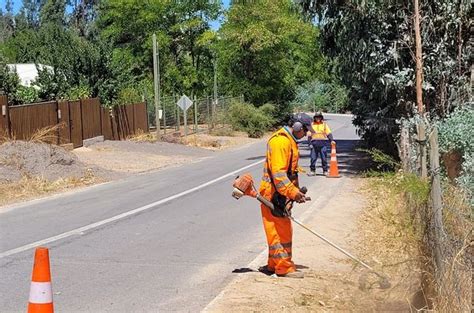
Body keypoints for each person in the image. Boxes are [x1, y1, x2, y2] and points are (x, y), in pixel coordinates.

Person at [258, 114, 315, 278]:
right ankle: (283, 268)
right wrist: (293, 193)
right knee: (281, 232)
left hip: (278, 194)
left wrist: (294, 194)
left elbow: (290, 173)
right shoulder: (281, 142)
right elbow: (279, 175)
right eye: (304, 130)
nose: (306, 134)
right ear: (297, 127)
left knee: (275, 230)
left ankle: (273, 264)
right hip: (273, 194)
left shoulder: (288, 141)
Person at [308, 112, 335, 176]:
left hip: (323, 144)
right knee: (313, 158)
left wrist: (331, 140)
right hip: (314, 144)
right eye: (317, 117)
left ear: (321, 118)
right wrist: (310, 144)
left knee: (324, 158)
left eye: (319, 117)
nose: (318, 118)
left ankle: (325, 171)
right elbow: (309, 135)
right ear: (314, 118)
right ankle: (312, 171)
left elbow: (328, 133)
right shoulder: (311, 124)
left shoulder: (324, 124)